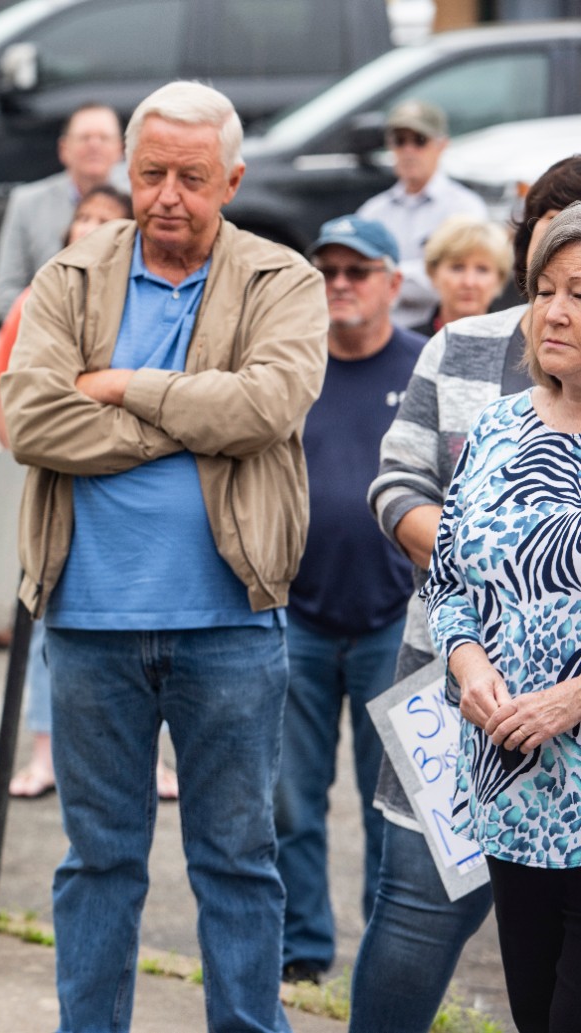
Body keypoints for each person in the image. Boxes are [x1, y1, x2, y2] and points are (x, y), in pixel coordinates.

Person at [0, 80, 328, 1032]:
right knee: (97, 862)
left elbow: (268, 406)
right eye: (151, 174)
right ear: (125, 172)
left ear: (232, 178)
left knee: (235, 860)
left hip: (231, 621)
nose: (169, 196)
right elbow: (31, 418)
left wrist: (125, 387)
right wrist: (189, 420)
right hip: (89, 622)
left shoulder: (283, 280)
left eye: (192, 177)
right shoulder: (71, 275)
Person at [356, 154, 581, 1033]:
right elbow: (403, 494)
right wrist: (475, 635)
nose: (560, 304)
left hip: (562, 732)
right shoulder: (477, 374)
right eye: (551, 279)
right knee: (418, 913)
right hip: (474, 726)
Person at [423, 200, 581, 1033]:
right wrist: (468, 662)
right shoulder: (497, 427)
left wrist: (572, 698)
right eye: (545, 289)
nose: (554, 311)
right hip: (511, 795)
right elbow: (448, 580)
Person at [273, 215, 426, 986]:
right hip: (296, 614)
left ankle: (383, 956)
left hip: (393, 619)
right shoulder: (292, 366)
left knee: (388, 806)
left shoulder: (423, 367)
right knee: (291, 799)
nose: (339, 284)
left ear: (394, 283)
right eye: (327, 270)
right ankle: (302, 949)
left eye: (357, 271)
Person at [0, 185, 133, 800]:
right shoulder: (39, 297)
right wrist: (27, 454)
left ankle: (147, 759)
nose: (90, 226)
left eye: (105, 218)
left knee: (142, 627)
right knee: (44, 621)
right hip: (52, 484)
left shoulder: (143, 301)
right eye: (83, 217)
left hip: (119, 493)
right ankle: (45, 753)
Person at [357, 99, 487, 329]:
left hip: (444, 330)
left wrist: (384, 276)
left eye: (419, 140)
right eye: (400, 141)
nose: (408, 150)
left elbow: (465, 279)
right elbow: (358, 277)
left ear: (441, 145)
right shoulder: (373, 211)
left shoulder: (465, 208)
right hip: (381, 332)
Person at [0, 103, 124, 318]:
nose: (94, 145)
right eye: (84, 138)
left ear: (120, 149)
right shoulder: (27, 202)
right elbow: (7, 292)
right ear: (64, 149)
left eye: (104, 138)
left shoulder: (136, 202)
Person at [413, 214, 512, 337]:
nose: (469, 282)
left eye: (482, 269)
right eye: (457, 268)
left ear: (500, 278)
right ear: (433, 273)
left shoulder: (521, 349)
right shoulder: (408, 348)